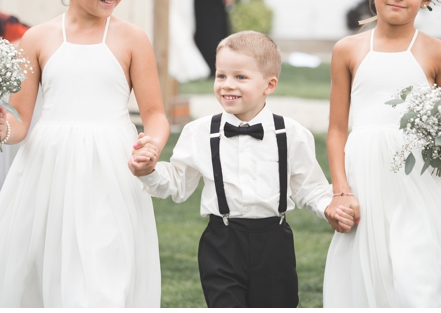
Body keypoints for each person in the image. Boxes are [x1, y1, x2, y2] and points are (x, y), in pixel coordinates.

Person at [0, 0, 170, 307]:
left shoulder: (132, 39)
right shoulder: (37, 39)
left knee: (104, 273)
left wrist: (152, 146)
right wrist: (2, 127)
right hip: (48, 169)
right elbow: (20, 119)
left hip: (111, 169)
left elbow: (155, 114)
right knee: (39, 273)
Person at [129, 31, 355, 307]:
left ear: (269, 84)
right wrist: (150, 171)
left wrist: (330, 207)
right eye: (221, 75)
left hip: (274, 244)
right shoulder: (198, 132)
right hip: (221, 242)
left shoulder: (292, 134)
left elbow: (311, 189)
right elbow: (177, 185)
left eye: (240, 77)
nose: (227, 85)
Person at [322, 0, 441, 307]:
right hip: (364, 178)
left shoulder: (439, 54)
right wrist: (340, 191)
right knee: (368, 277)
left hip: (418, 181)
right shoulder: (347, 50)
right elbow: (337, 130)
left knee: (419, 276)